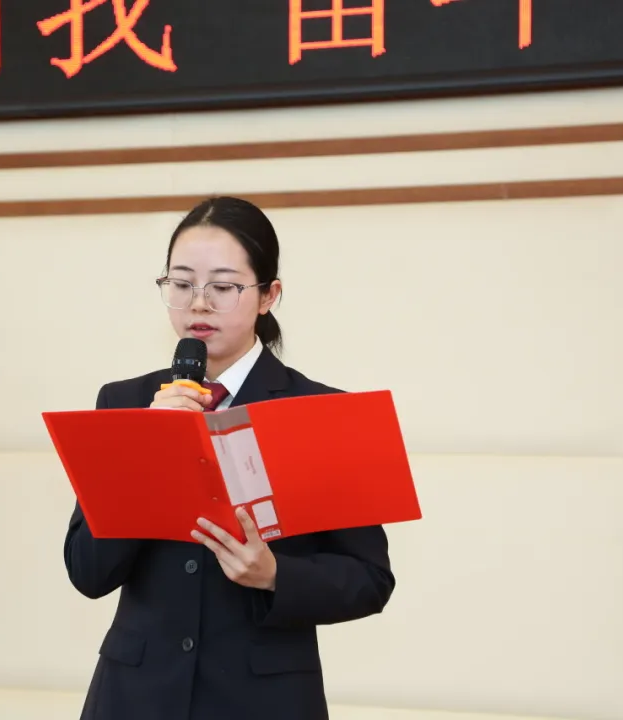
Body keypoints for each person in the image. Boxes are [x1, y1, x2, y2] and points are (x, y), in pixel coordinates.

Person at [63, 196, 395, 720]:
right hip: (136, 697)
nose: (198, 304)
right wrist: (146, 446)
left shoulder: (320, 411)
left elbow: (369, 579)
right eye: (181, 284)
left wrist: (274, 574)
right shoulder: (125, 402)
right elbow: (87, 571)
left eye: (222, 287)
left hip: (264, 701)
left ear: (268, 295)